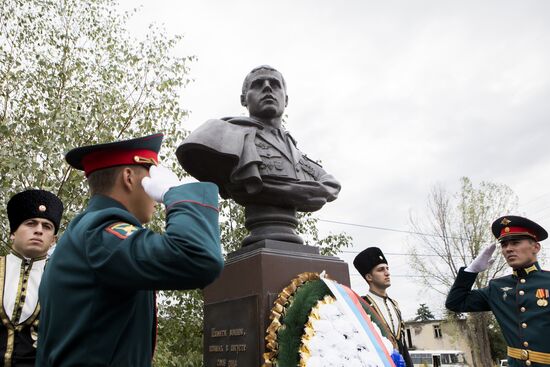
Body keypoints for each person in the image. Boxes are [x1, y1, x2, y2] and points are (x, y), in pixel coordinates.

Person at [36, 133, 224, 366]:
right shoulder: (100, 232)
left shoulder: (82, 232)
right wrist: (174, 193)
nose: (156, 198)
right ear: (129, 177)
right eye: (151, 174)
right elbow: (196, 257)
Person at [176, 65, 340, 213]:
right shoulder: (218, 132)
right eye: (258, 84)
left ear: (286, 100)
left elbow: (331, 185)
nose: (267, 87)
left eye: (275, 84)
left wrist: (277, 189)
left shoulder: (296, 153)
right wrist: (300, 191)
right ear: (243, 99)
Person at [446, 215, 550, 366]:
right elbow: (455, 303)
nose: (508, 249)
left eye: (515, 243)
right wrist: (471, 271)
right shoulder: (497, 288)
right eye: (504, 245)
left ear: (536, 247)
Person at [0, 189, 63, 367]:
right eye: (30, 223)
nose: (38, 231)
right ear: (12, 233)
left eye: (47, 226)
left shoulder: (61, 279)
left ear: (53, 240)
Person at [353, 247, 413, 367]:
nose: (387, 273)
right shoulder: (362, 305)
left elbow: (403, 345)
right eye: (381, 270)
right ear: (369, 277)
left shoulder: (395, 305)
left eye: (387, 268)